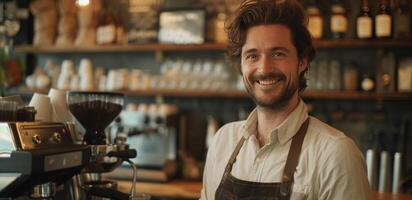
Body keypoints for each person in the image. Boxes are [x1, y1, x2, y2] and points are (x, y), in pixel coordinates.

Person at [200, 0, 371, 199]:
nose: (264, 68)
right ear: (241, 65)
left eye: (278, 53)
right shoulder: (223, 140)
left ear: (302, 61)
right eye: (252, 56)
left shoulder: (335, 154)